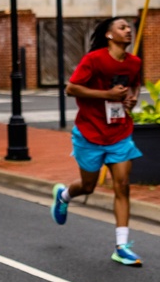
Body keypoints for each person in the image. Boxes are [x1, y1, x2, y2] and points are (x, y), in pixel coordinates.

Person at [51, 17, 144, 266]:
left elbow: (134, 86)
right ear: (109, 35)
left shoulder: (134, 62)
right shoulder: (93, 60)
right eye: (122, 27)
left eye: (129, 28)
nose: (128, 31)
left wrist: (131, 100)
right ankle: (64, 196)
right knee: (88, 186)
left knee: (122, 185)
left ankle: (121, 246)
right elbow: (71, 89)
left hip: (119, 132)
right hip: (90, 131)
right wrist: (107, 95)